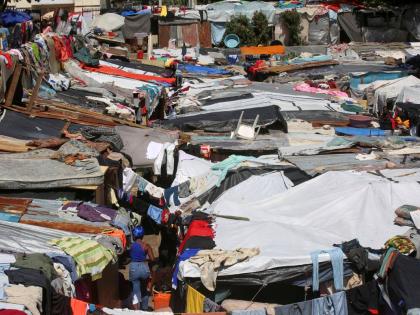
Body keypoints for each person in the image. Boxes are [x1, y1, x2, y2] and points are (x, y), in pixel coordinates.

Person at [129, 226, 155, 310]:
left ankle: (137, 311)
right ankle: (145, 310)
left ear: (134, 235)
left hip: (134, 268)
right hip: (144, 267)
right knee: (144, 290)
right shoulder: (146, 246)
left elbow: (128, 257)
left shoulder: (131, 246)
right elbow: (152, 259)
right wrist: (145, 259)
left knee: (135, 291)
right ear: (142, 235)